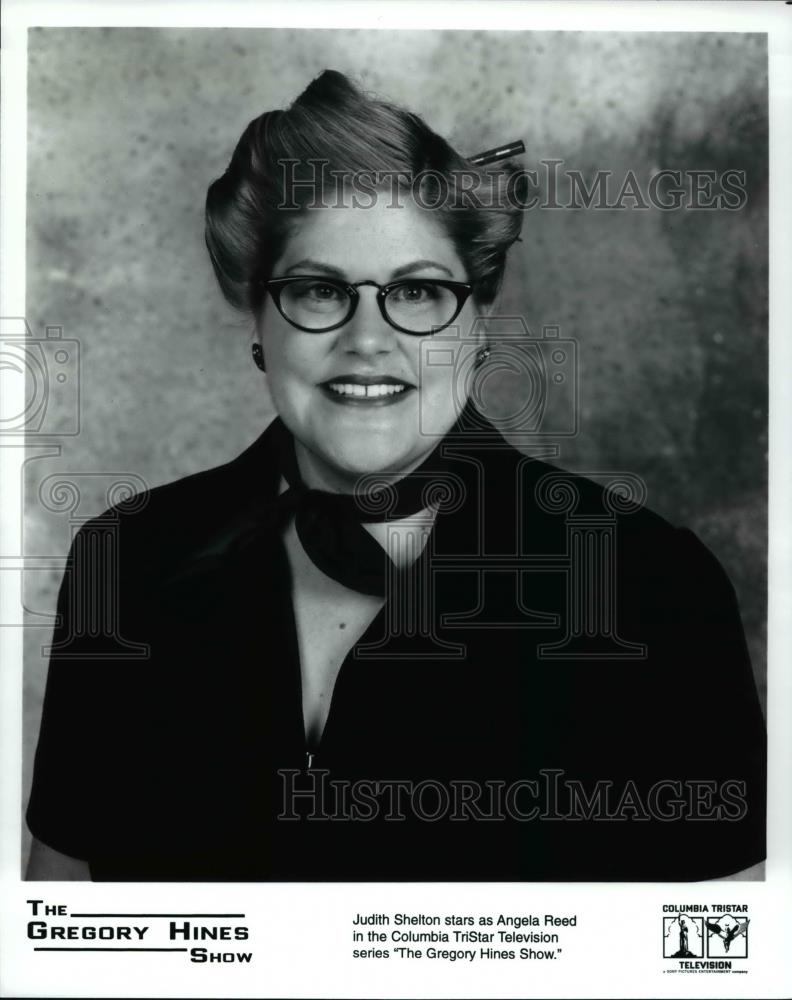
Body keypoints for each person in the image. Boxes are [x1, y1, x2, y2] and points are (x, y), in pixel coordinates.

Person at [26, 70, 765, 882]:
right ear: (259, 324)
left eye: (417, 291)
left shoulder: (655, 587)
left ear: (479, 323)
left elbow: (717, 952)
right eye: (317, 290)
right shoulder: (125, 561)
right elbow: (60, 920)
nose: (368, 340)